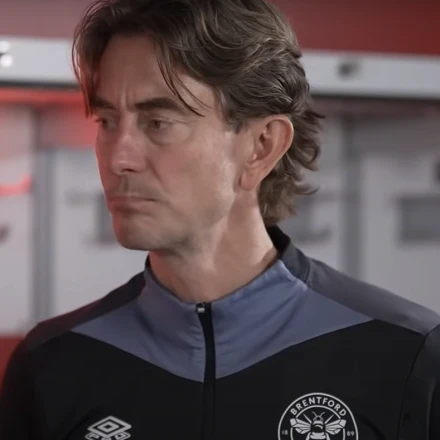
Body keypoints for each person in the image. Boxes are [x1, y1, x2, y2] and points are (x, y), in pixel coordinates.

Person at [1, 0, 439, 438]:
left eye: (158, 122)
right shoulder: (50, 367)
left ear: (262, 145)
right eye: (107, 121)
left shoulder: (408, 357)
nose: (118, 158)